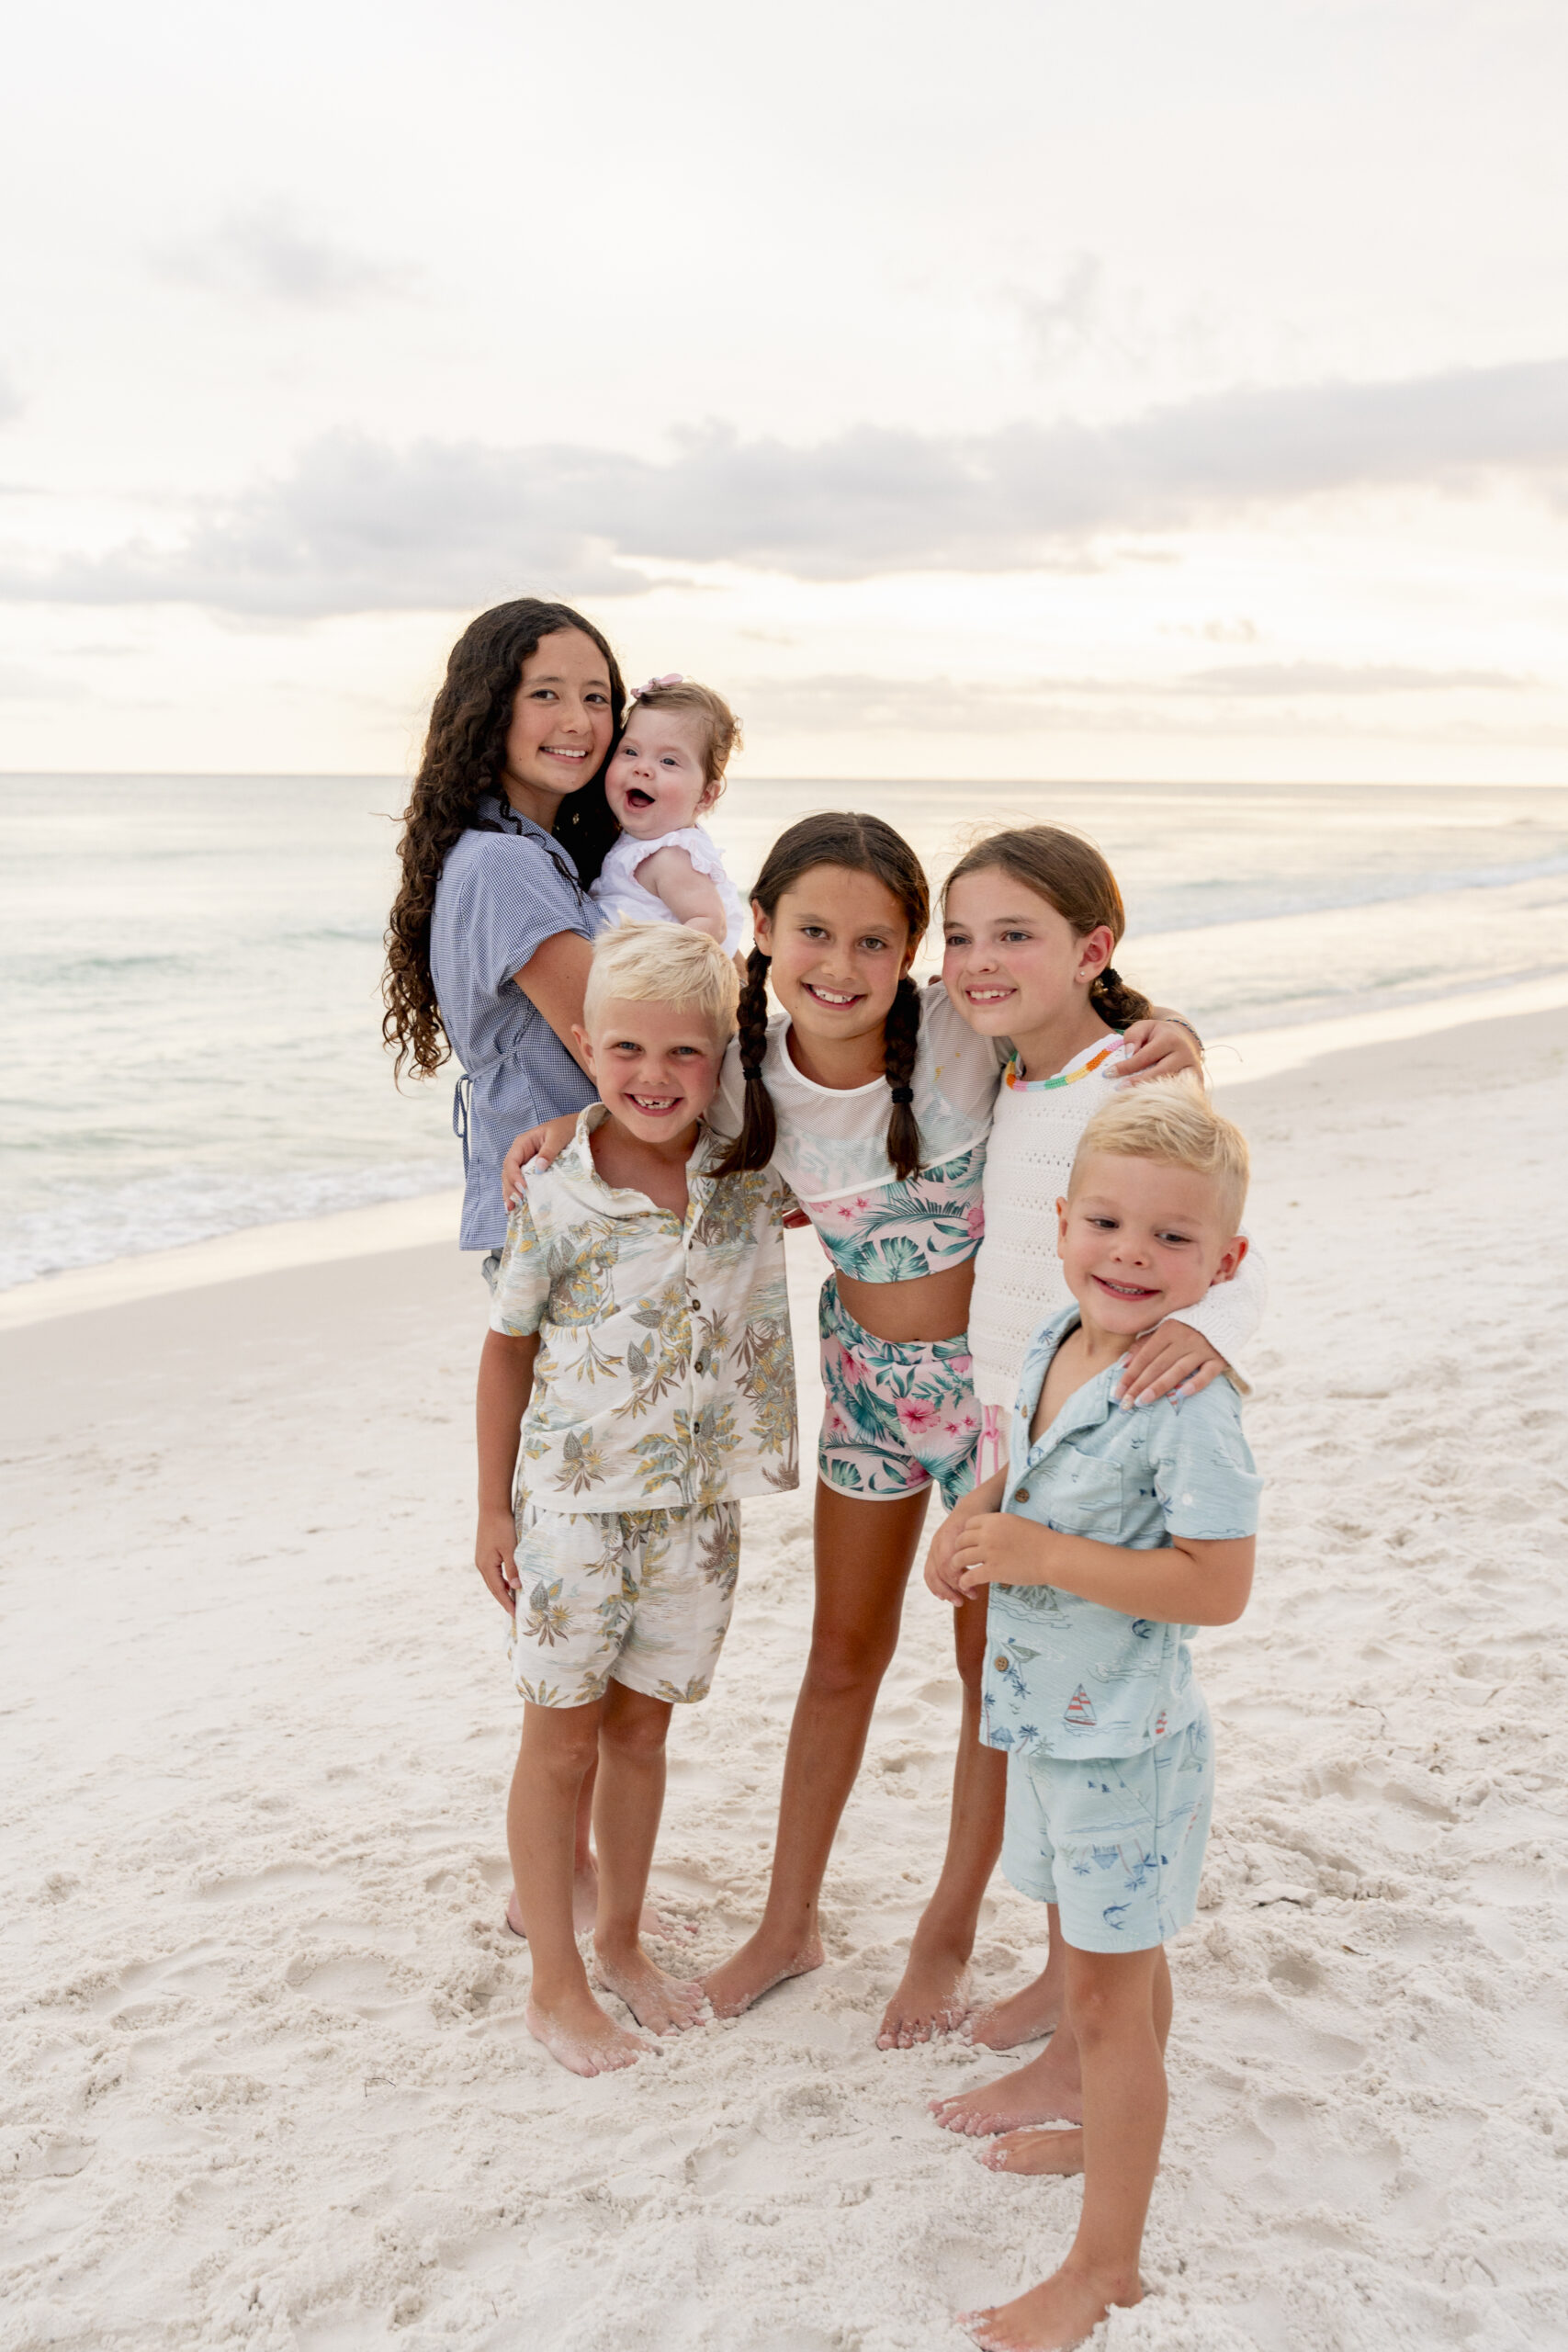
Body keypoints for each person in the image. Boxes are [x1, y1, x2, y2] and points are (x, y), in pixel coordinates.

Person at [501, 813, 1214, 2043]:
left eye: (873, 940)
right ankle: (789, 1922)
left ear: (910, 955)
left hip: (997, 1404)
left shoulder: (950, 1033)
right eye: (810, 932)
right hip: (867, 1388)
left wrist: (1172, 1032)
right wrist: (569, 1128)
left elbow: (1065, 1041)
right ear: (758, 935)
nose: (837, 962)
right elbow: (646, 1091)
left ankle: (943, 1937)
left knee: (992, 1674)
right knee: (840, 1654)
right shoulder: (742, 1067)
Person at [923, 1080, 1261, 2351]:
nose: (1130, 1255)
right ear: (1059, 1222)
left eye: (1171, 1241)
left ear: (1221, 1263)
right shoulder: (1056, 1336)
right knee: (1088, 1958)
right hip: (1043, 1722)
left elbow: (1214, 1587)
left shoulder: (1190, 1404)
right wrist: (967, 1529)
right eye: (1106, 1224)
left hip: (1124, 1742)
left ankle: (1103, 2269)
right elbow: (1022, 1456)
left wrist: (1042, 1557)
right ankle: (1072, 2094)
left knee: (1118, 2003)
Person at [931, 826, 1266, 2056]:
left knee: (1086, 1708)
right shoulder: (1004, 1072)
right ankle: (1061, 1964)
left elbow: (1223, 1242)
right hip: (1011, 1416)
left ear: (1092, 950)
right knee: (1014, 1696)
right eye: (958, 937)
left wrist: (1218, 1337)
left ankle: (1093, 1992)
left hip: (1103, 1443)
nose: (977, 961)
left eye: (1012, 935)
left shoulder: (1143, 1084)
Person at [474, 922, 798, 2077]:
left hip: (699, 1512)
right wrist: (492, 1511)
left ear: (725, 1055)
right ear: (582, 1043)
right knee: (559, 1742)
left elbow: (872, 1074)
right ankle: (553, 1984)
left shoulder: (751, 1167)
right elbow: (506, 1347)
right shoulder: (553, 1190)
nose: (653, 1077)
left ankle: (617, 1936)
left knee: (643, 1730)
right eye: (624, 1051)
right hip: (569, 1508)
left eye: (685, 1054)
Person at [384, 597, 625, 1938]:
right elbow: (627, 1050)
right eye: (549, 693)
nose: (580, 721)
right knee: (574, 1547)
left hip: (550, 1217)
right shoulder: (504, 868)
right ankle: (563, 1871)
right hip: (564, 1230)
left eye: (597, 696)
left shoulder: (529, 851)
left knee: (575, 1531)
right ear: (490, 704)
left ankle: (572, 1856)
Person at [590, 677, 749, 955]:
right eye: (630, 751)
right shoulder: (639, 844)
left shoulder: (671, 857)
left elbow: (711, 923)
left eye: (668, 761)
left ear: (705, 796)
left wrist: (651, 965)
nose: (642, 768)